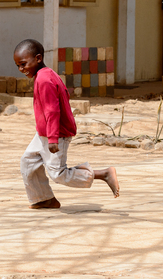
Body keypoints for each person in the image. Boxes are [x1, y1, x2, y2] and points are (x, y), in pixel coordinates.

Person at [13, 39, 119, 209]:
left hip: (56, 133)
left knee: (58, 173)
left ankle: (103, 174)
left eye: (24, 64)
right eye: (18, 65)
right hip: (44, 132)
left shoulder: (44, 80)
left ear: (38, 58)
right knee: (28, 162)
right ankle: (44, 199)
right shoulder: (46, 74)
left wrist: (54, 138)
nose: (21, 69)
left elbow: (52, 111)